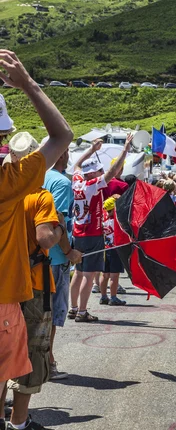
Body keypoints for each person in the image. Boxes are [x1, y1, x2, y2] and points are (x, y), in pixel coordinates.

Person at [0, 49, 74, 430]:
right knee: (27, 359)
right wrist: (27, 84)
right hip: (16, 293)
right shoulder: (17, 185)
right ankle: (19, 422)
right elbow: (62, 134)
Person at [4, 142, 66, 429]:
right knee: (33, 352)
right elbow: (44, 239)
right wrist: (59, 230)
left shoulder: (7, 189)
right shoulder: (39, 195)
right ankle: (19, 421)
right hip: (34, 285)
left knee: (4, 355)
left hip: (6, 286)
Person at [68, 134, 133, 323]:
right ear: (92, 175)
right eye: (98, 171)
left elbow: (78, 165)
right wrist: (125, 149)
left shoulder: (77, 180)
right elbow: (112, 172)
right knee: (88, 274)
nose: (100, 172)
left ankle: (73, 308)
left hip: (78, 232)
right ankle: (82, 311)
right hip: (92, 233)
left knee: (79, 272)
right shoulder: (90, 185)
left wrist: (91, 150)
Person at [43, 148, 83, 381]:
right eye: (66, 150)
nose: (68, 155)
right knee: (52, 316)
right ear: (60, 155)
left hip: (35, 256)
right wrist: (69, 252)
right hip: (55, 259)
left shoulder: (39, 176)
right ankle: (47, 363)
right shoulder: (61, 183)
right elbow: (56, 220)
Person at [99, 197, 127, 306]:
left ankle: (103, 296)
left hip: (105, 249)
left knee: (105, 275)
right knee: (114, 275)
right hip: (116, 249)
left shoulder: (103, 221)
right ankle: (113, 297)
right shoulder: (117, 222)